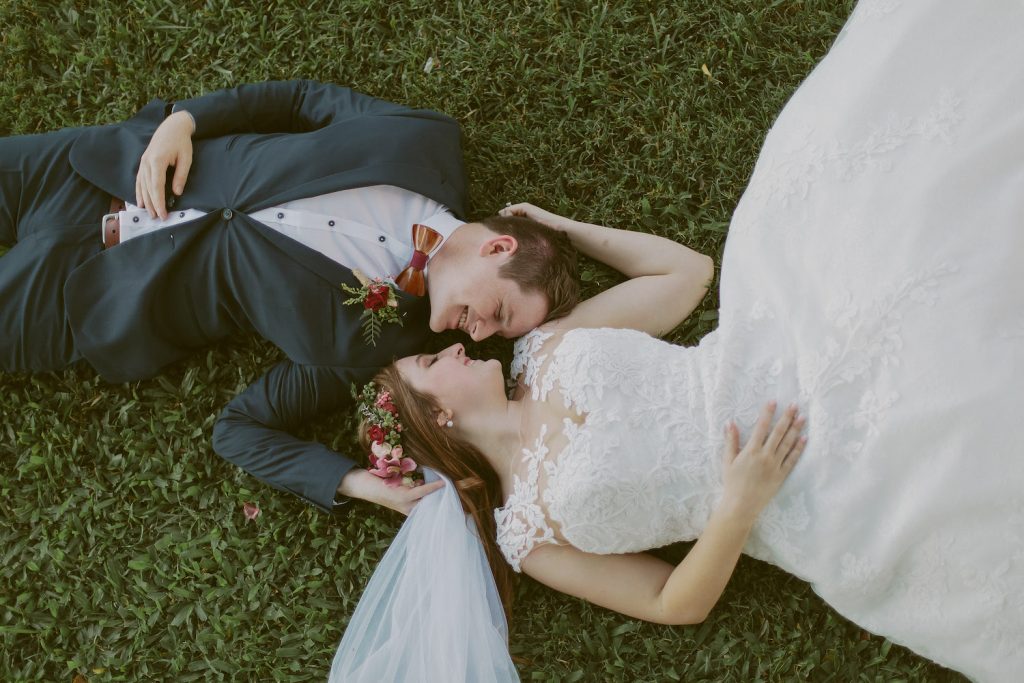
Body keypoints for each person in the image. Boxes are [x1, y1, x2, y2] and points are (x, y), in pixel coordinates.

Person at [328, 3, 1024, 681]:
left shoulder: (547, 348)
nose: (454, 348)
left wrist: (561, 227)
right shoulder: (530, 537)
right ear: (436, 417)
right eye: (430, 361)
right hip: (795, 495)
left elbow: (685, 272)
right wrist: (739, 505)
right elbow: (673, 602)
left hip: (786, 349)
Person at [0, 79, 580, 515]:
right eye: (497, 313)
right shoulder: (426, 140)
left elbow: (241, 428)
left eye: (494, 335)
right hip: (88, 169)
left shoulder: (375, 347)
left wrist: (352, 482)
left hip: (86, 297)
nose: (477, 335)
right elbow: (300, 99)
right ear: (499, 247)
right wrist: (186, 121)